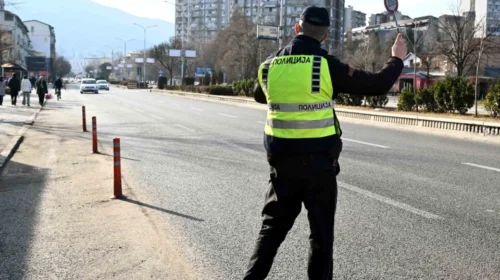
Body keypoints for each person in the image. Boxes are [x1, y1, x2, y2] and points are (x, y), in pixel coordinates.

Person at [243, 6, 407, 280]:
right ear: (326, 36)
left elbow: (260, 95)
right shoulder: (326, 66)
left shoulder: (269, 66)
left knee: (270, 233)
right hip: (319, 167)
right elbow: (377, 84)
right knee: (320, 239)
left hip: (281, 168)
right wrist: (396, 59)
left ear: (298, 28)